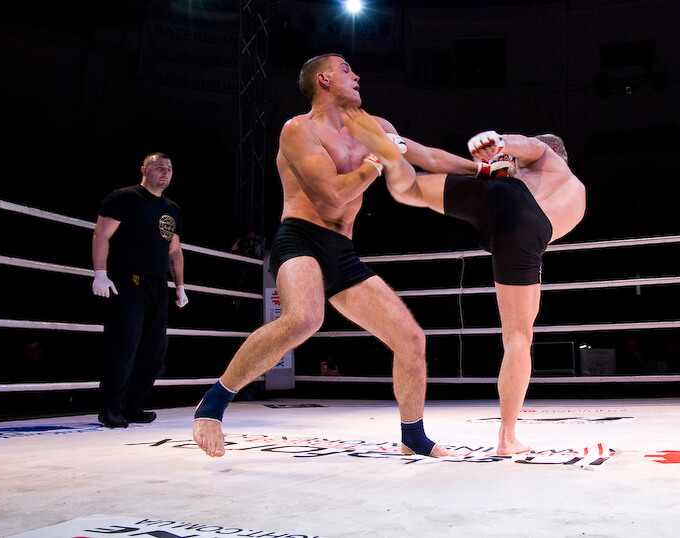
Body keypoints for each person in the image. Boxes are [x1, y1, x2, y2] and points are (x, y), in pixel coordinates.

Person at [193, 53, 482, 458]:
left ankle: (412, 436)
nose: (357, 75)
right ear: (324, 80)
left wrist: (483, 171)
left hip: (342, 250)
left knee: (411, 339)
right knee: (304, 318)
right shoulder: (299, 130)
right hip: (300, 239)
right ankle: (212, 405)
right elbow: (331, 198)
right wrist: (376, 163)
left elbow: (428, 157)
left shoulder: (375, 127)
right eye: (346, 69)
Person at [341, 107, 586, 455]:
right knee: (518, 337)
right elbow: (527, 157)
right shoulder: (575, 192)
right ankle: (507, 438)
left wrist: (500, 143)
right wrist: (500, 144)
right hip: (525, 229)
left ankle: (394, 150)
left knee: (407, 188)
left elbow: (532, 146)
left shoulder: (548, 161)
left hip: (503, 201)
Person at [91, 152, 189, 428]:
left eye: (169, 169)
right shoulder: (124, 197)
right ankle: (111, 407)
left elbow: (174, 250)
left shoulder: (172, 209)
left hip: (158, 284)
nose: (165, 172)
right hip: (128, 281)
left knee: (154, 350)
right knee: (125, 344)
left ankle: (134, 405)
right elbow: (101, 234)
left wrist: (180, 286)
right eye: (159, 167)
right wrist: (100, 273)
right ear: (144, 170)